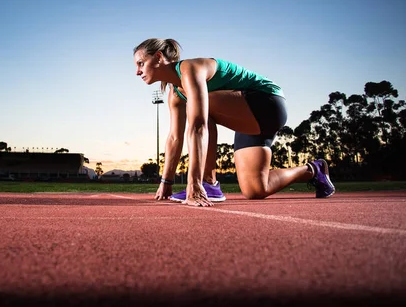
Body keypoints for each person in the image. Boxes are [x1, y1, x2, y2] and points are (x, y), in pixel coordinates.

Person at [133, 38, 335, 207]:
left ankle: (207, 183)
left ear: (158, 57)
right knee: (256, 189)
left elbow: (198, 126)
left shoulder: (190, 69)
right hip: (247, 119)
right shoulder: (175, 94)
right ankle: (314, 170)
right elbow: (175, 138)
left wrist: (192, 184)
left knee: (198, 109)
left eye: (141, 63)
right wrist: (166, 181)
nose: (137, 71)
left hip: (267, 102)